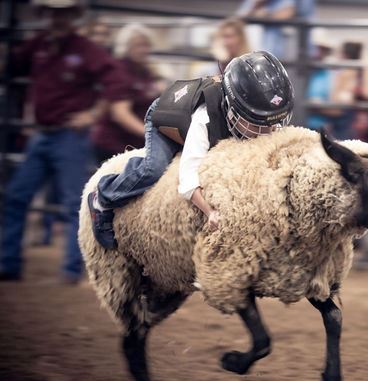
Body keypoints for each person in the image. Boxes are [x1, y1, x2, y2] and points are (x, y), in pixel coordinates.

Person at [88, 51, 294, 249]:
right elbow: (187, 180)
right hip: (168, 119)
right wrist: (210, 212)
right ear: (233, 109)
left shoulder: (258, 120)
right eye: (258, 124)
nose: (268, 132)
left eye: (274, 122)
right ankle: (103, 197)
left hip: (215, 124)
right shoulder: (205, 117)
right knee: (154, 168)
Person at [0, 0, 127, 284]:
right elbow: (12, 65)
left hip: (68, 136)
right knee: (18, 196)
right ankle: (9, 263)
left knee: (72, 203)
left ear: (73, 15)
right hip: (43, 134)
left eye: (64, 12)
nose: (58, 18)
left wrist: (93, 113)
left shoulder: (85, 50)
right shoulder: (39, 45)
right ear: (46, 14)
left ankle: (71, 270)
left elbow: (116, 78)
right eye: (54, 12)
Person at [91, 24, 162, 164]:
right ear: (126, 47)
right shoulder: (119, 71)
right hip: (114, 145)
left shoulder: (145, 71)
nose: (144, 50)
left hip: (135, 144)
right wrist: (151, 135)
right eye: (138, 46)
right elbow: (121, 114)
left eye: (146, 45)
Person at [237, 0, 315, 59]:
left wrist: (265, 15)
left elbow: (287, 13)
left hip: (289, 52)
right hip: (259, 53)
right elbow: (239, 17)